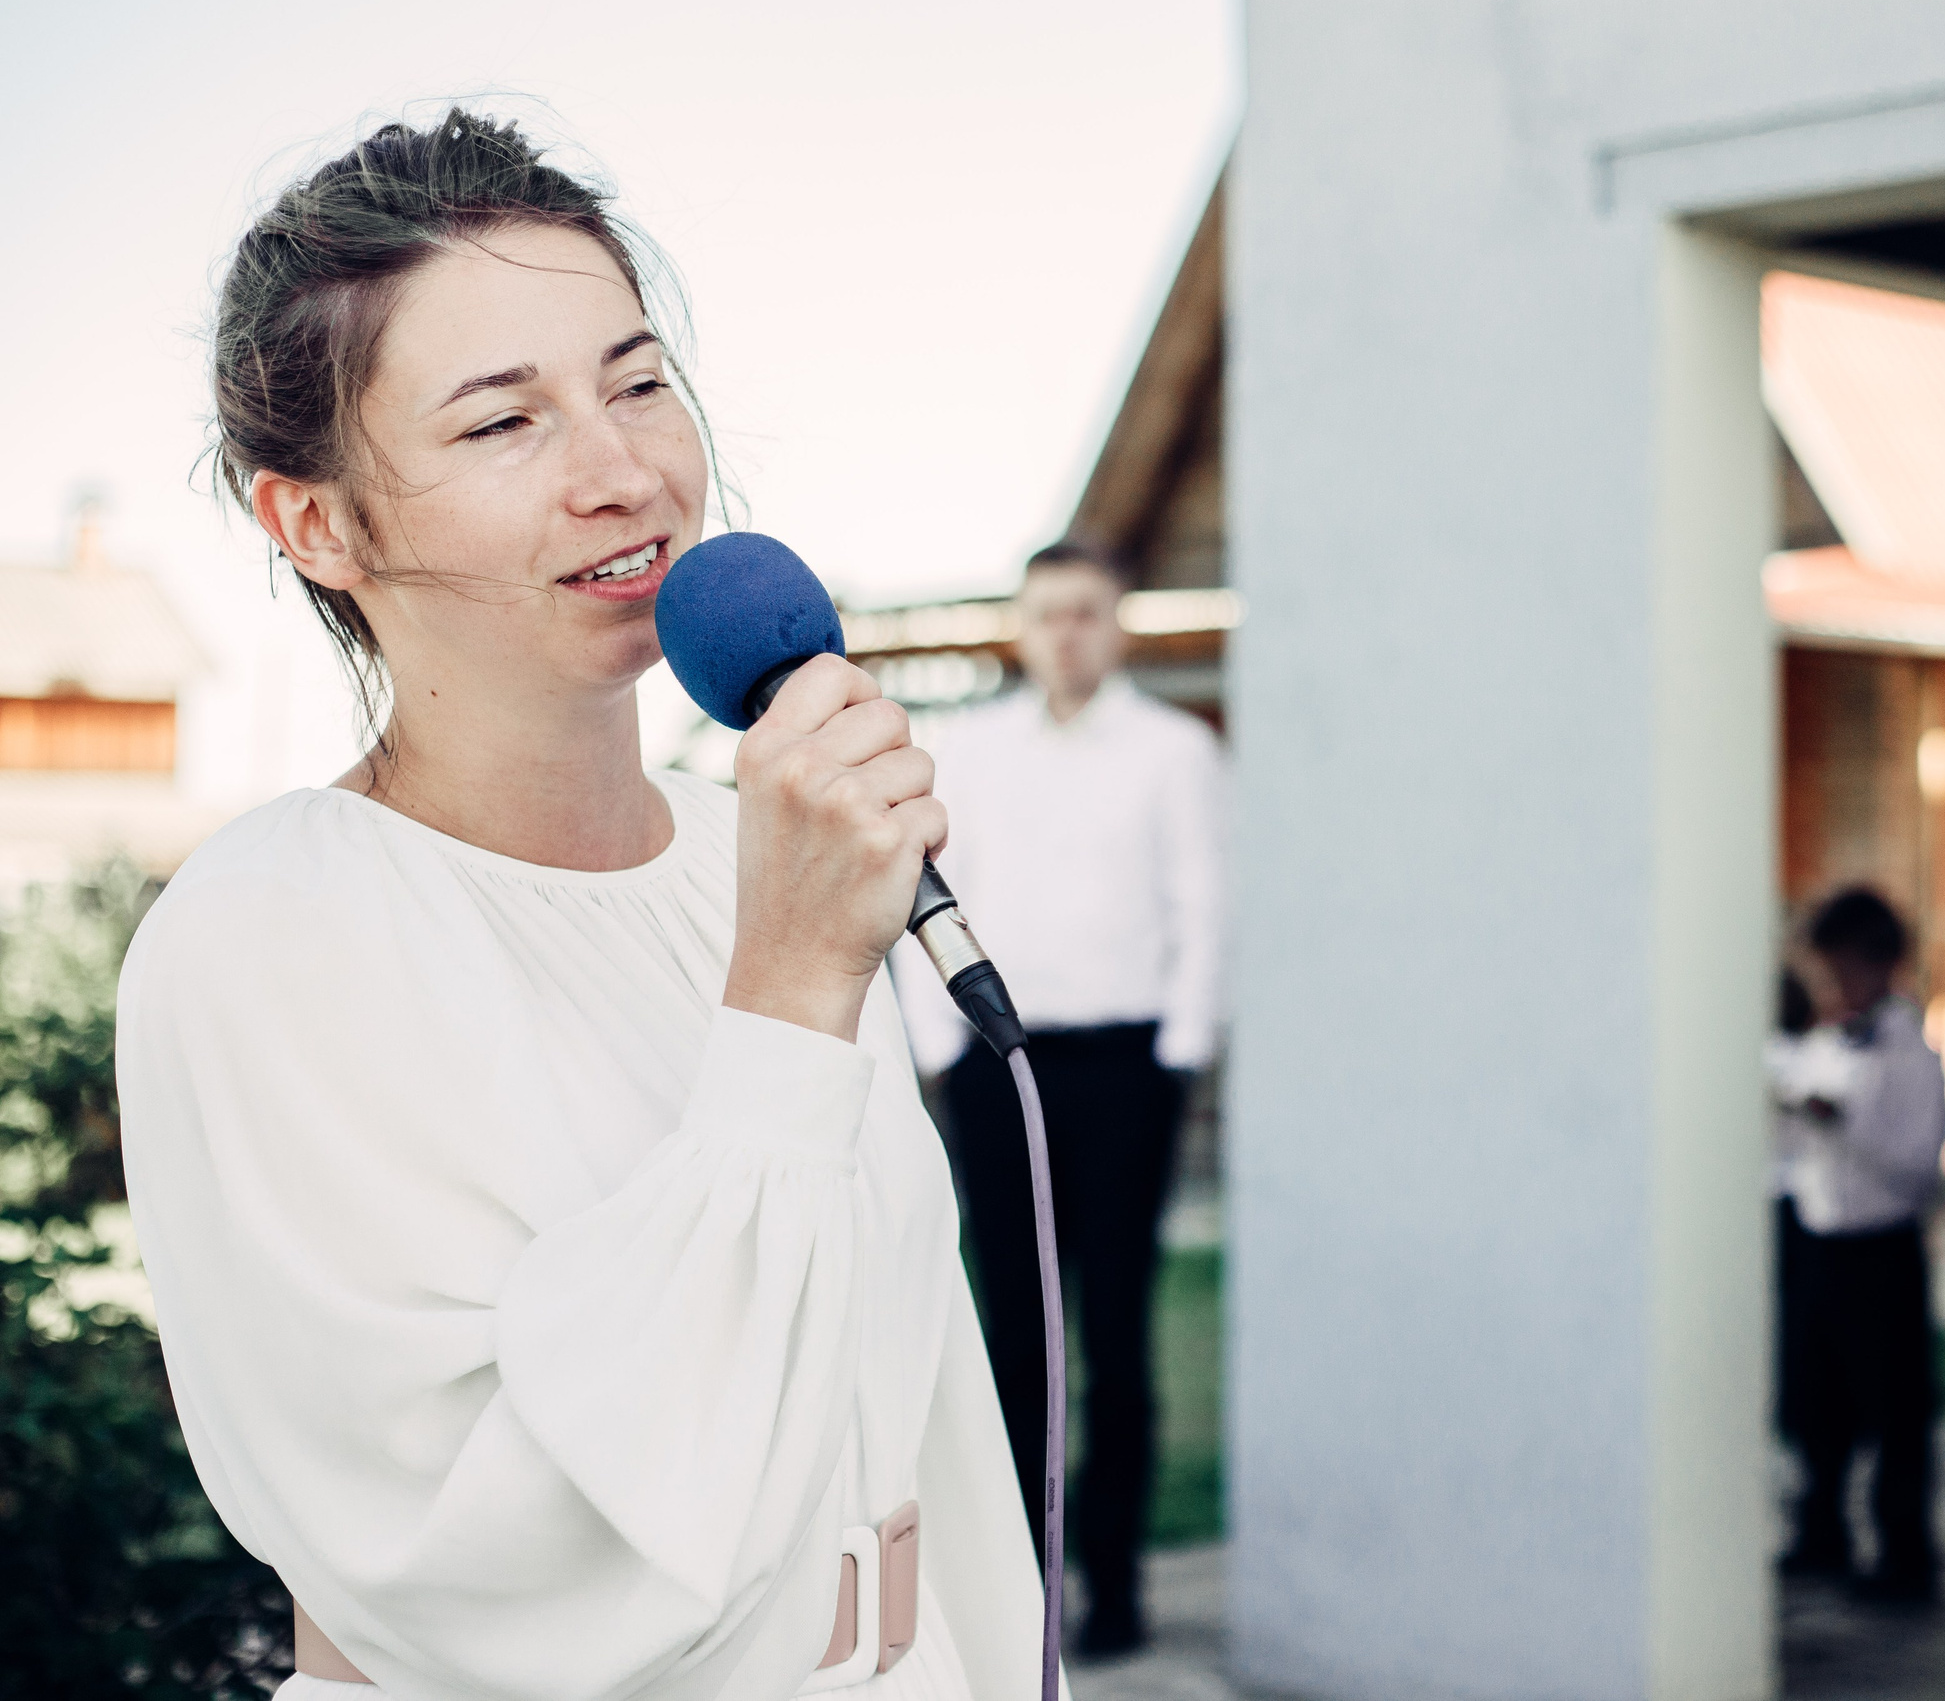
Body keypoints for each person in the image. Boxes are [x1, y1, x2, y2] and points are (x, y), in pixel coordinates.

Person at [117, 111, 1043, 1699]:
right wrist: (793, 989)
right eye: (504, 423)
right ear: (316, 523)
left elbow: (917, 1401)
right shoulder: (269, 933)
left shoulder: (741, 858)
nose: (624, 473)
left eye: (634, 380)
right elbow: (507, 1554)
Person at [894, 540, 1225, 1656]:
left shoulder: (1175, 752)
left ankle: (1116, 1587)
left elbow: (1205, 908)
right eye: (1048, 615)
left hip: (1128, 1067)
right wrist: (943, 1052)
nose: (1067, 633)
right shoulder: (971, 751)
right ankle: (1020, 1594)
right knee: (1015, 1336)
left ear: (1116, 624)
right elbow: (925, 896)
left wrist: (1178, 1053)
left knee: (1120, 1331)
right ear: (1023, 629)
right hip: (998, 1067)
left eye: (1086, 613)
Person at [1767, 889, 1945, 1605]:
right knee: (1816, 1398)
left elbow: (1920, 1162)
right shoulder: (1818, 1042)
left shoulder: (1910, 1049)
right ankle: (1821, 1530)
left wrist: (1842, 1124)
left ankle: (1906, 1552)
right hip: (1819, 1239)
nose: (1833, 987)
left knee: (1896, 1407)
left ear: (1881, 965)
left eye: (1844, 970)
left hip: (1883, 1248)